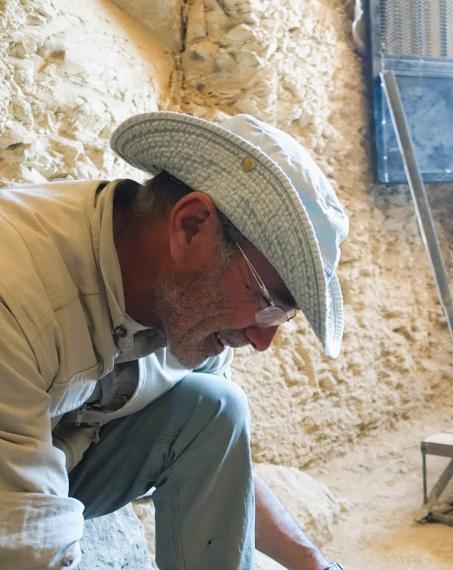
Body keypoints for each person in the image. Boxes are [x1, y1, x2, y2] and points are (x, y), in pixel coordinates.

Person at [0, 111, 348, 569]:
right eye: (268, 301)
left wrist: (313, 564)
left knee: (216, 406)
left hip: (57, 470)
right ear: (191, 227)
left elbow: (223, 464)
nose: (263, 340)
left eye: (283, 316)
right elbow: (26, 549)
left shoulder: (184, 306)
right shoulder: (17, 285)